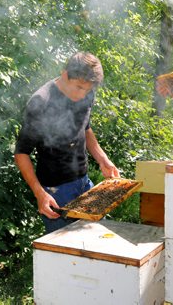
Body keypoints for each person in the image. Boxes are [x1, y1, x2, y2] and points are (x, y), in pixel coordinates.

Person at [14, 52, 120, 233]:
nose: (83, 94)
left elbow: (85, 129)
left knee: (94, 243)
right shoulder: (41, 101)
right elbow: (21, 153)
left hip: (84, 183)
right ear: (65, 74)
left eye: (87, 90)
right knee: (66, 255)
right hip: (56, 192)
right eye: (79, 87)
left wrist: (102, 159)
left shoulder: (87, 93)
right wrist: (40, 194)